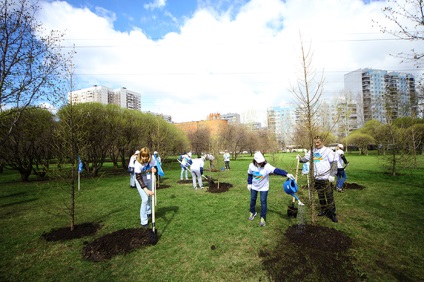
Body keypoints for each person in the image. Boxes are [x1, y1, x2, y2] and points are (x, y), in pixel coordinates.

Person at [297, 136, 338, 223]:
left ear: (322, 142)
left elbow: (334, 162)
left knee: (329, 196)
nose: (316, 144)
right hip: (317, 177)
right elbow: (305, 159)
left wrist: (332, 174)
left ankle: (332, 213)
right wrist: (300, 159)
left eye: (318, 142)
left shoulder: (327, 151)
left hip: (326, 178)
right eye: (315, 142)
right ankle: (323, 210)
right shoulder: (312, 151)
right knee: (321, 196)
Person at [247, 151, 295, 227]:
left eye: (262, 162)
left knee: (263, 201)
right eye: (259, 162)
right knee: (253, 199)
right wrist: (249, 183)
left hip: (264, 187)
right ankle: (252, 212)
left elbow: (276, 170)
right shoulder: (251, 166)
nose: (261, 163)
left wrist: (286, 174)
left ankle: (263, 218)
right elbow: (249, 174)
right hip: (254, 186)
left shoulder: (267, 166)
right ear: (255, 161)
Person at [134, 147, 156, 228]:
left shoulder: (152, 159)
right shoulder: (137, 163)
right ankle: (144, 221)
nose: (145, 158)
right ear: (140, 156)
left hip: (148, 178)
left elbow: (154, 167)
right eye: (143, 156)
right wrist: (146, 189)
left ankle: (148, 212)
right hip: (140, 180)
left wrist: (154, 169)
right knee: (145, 199)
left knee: (150, 197)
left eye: (146, 156)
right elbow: (138, 177)